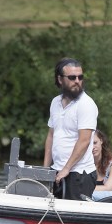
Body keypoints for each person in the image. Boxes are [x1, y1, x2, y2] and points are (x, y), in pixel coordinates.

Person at [43, 57, 98, 200]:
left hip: (79, 174)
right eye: (72, 77)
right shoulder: (55, 102)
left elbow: (84, 141)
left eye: (80, 77)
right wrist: (45, 170)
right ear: (60, 79)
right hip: (57, 170)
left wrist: (66, 168)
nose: (77, 81)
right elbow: (51, 136)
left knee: (71, 219)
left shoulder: (86, 104)